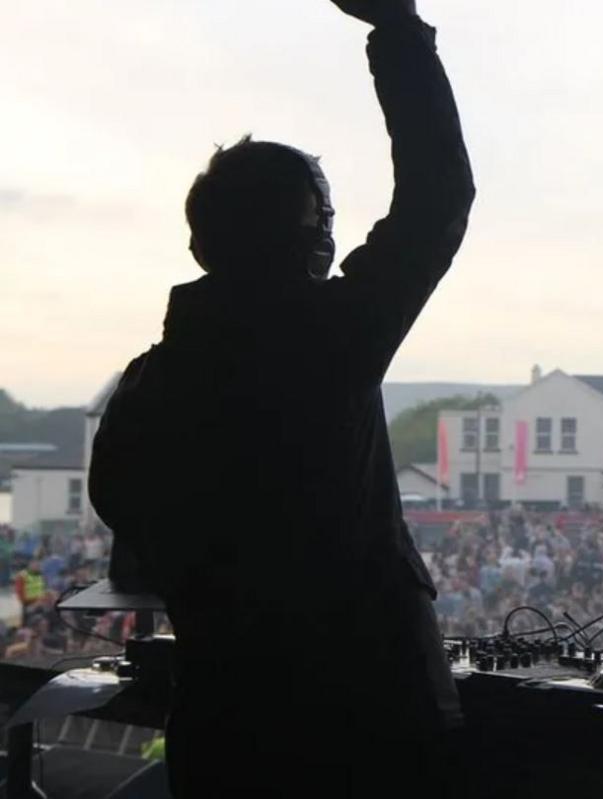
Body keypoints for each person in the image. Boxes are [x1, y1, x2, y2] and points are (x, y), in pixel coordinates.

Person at [87, 0, 474, 795]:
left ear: (201, 244)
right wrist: (398, 29)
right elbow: (437, 196)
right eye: (324, 216)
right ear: (312, 239)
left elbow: (129, 516)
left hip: (226, 726)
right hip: (366, 722)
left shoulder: (144, 388)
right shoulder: (333, 339)